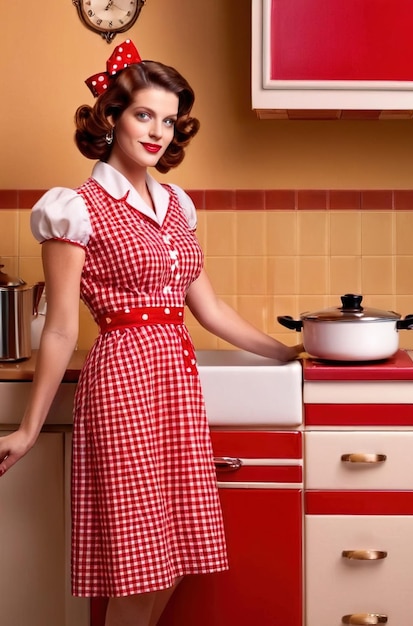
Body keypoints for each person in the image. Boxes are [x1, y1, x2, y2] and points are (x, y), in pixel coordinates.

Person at [0, 40, 301, 626]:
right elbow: (61, 327)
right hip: (122, 386)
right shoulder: (74, 209)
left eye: (168, 119)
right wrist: (29, 428)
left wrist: (288, 350)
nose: (158, 131)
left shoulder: (175, 206)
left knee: (178, 550)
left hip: (176, 387)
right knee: (137, 559)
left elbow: (209, 309)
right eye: (144, 114)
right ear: (111, 117)